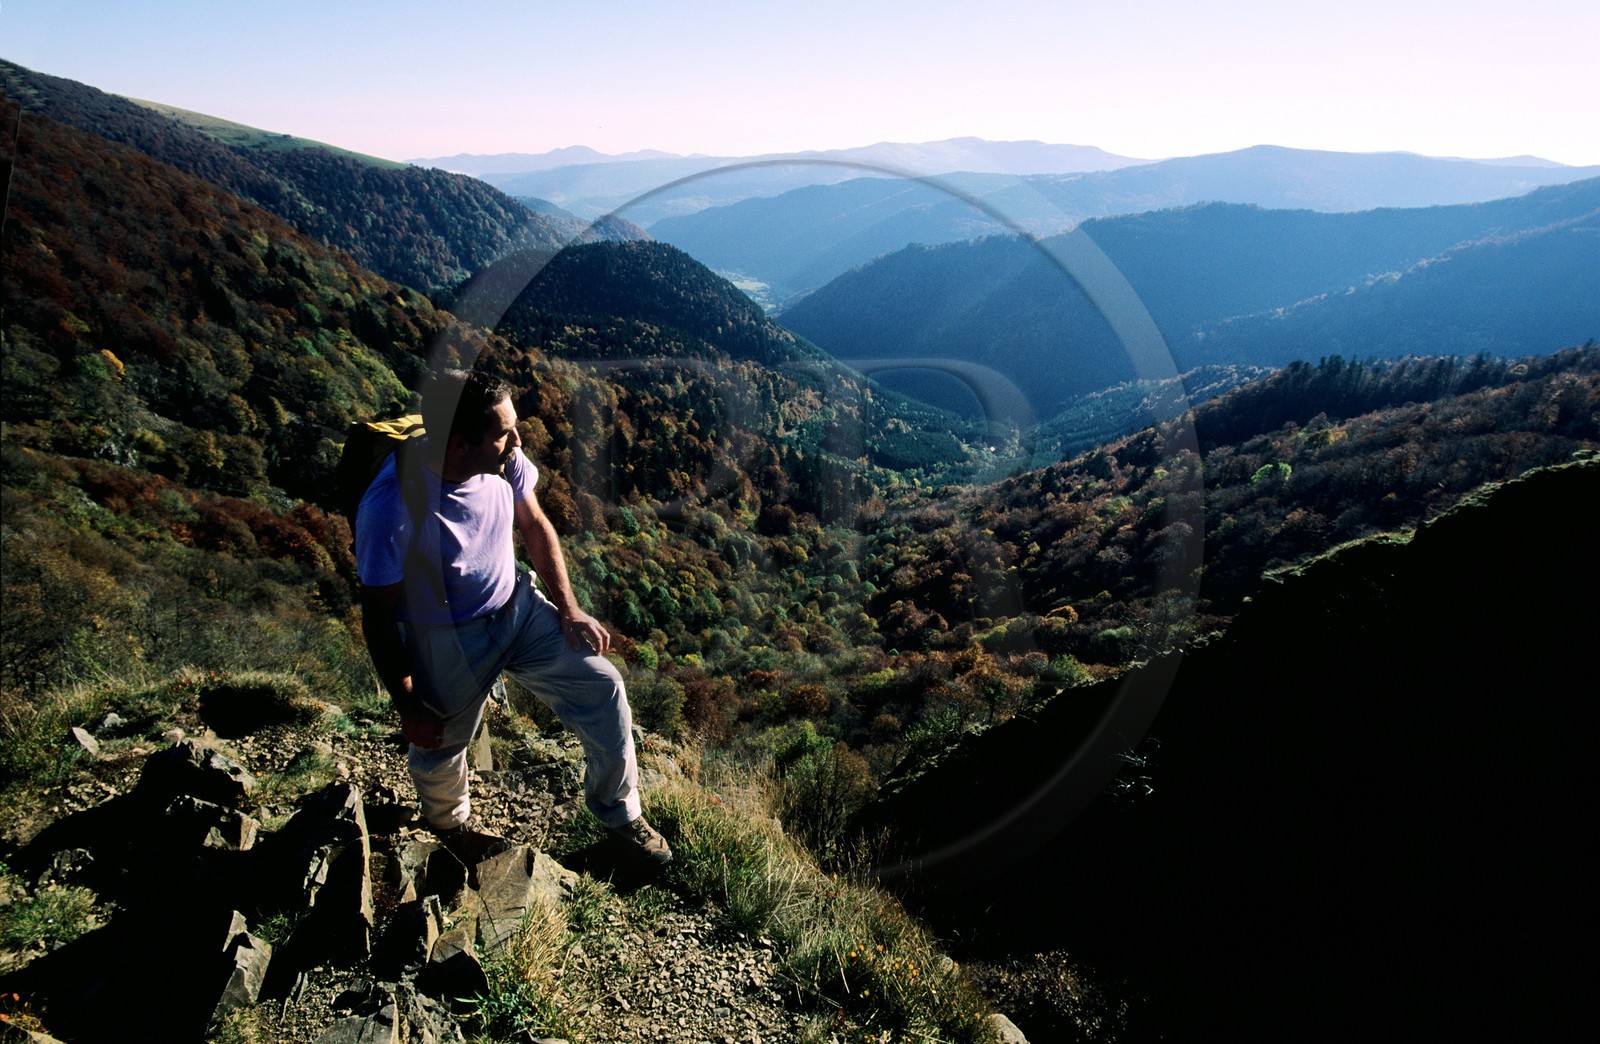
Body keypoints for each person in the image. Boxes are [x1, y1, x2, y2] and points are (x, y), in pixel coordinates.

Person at [354, 367, 672, 867]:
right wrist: (408, 702)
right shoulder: (392, 507)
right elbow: (377, 616)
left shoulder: (505, 463)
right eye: (504, 432)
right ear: (459, 444)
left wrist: (567, 607)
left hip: (518, 607)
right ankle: (448, 830)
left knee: (604, 686)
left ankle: (620, 816)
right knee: (438, 742)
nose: (518, 440)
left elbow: (535, 524)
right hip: (448, 637)